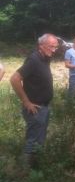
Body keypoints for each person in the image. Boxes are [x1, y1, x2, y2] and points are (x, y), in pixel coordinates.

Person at [10, 34, 59, 167]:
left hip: (44, 106)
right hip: (35, 108)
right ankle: (25, 173)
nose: (54, 50)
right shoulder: (33, 60)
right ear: (41, 46)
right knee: (33, 141)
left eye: (56, 47)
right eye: (51, 46)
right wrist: (26, 102)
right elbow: (14, 79)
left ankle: (36, 168)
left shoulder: (45, 58)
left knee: (39, 139)